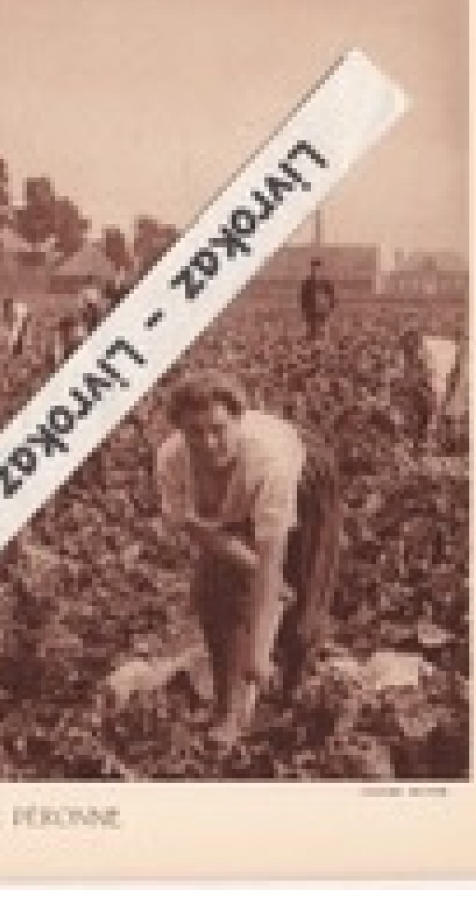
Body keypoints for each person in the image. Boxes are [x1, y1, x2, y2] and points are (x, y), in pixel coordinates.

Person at [153, 370, 342, 743]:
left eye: (218, 428)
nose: (207, 442)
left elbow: (273, 560)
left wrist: (258, 654)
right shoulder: (172, 459)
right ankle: (228, 709)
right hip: (234, 499)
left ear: (239, 420)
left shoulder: (268, 463)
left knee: (303, 595)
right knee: (215, 590)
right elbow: (197, 528)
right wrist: (250, 564)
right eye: (194, 432)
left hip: (306, 476)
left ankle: (289, 690)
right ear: (180, 431)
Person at [398, 328, 467, 448]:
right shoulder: (409, 353)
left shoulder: (434, 359)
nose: (409, 356)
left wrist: (433, 419)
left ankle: (452, 443)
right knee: (422, 403)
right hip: (441, 364)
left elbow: (439, 393)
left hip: (460, 362)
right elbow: (409, 382)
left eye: (413, 352)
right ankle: (422, 436)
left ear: (420, 348)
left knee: (452, 408)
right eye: (407, 352)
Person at [299, 258, 336, 342]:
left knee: (322, 328)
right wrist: (304, 309)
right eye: (314, 269)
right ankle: (313, 343)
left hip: (322, 309)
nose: (315, 271)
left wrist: (330, 306)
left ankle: (321, 343)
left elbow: (331, 295)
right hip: (311, 310)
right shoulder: (307, 283)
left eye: (317, 268)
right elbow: (303, 297)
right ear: (311, 269)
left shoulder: (325, 282)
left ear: (321, 269)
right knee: (313, 329)